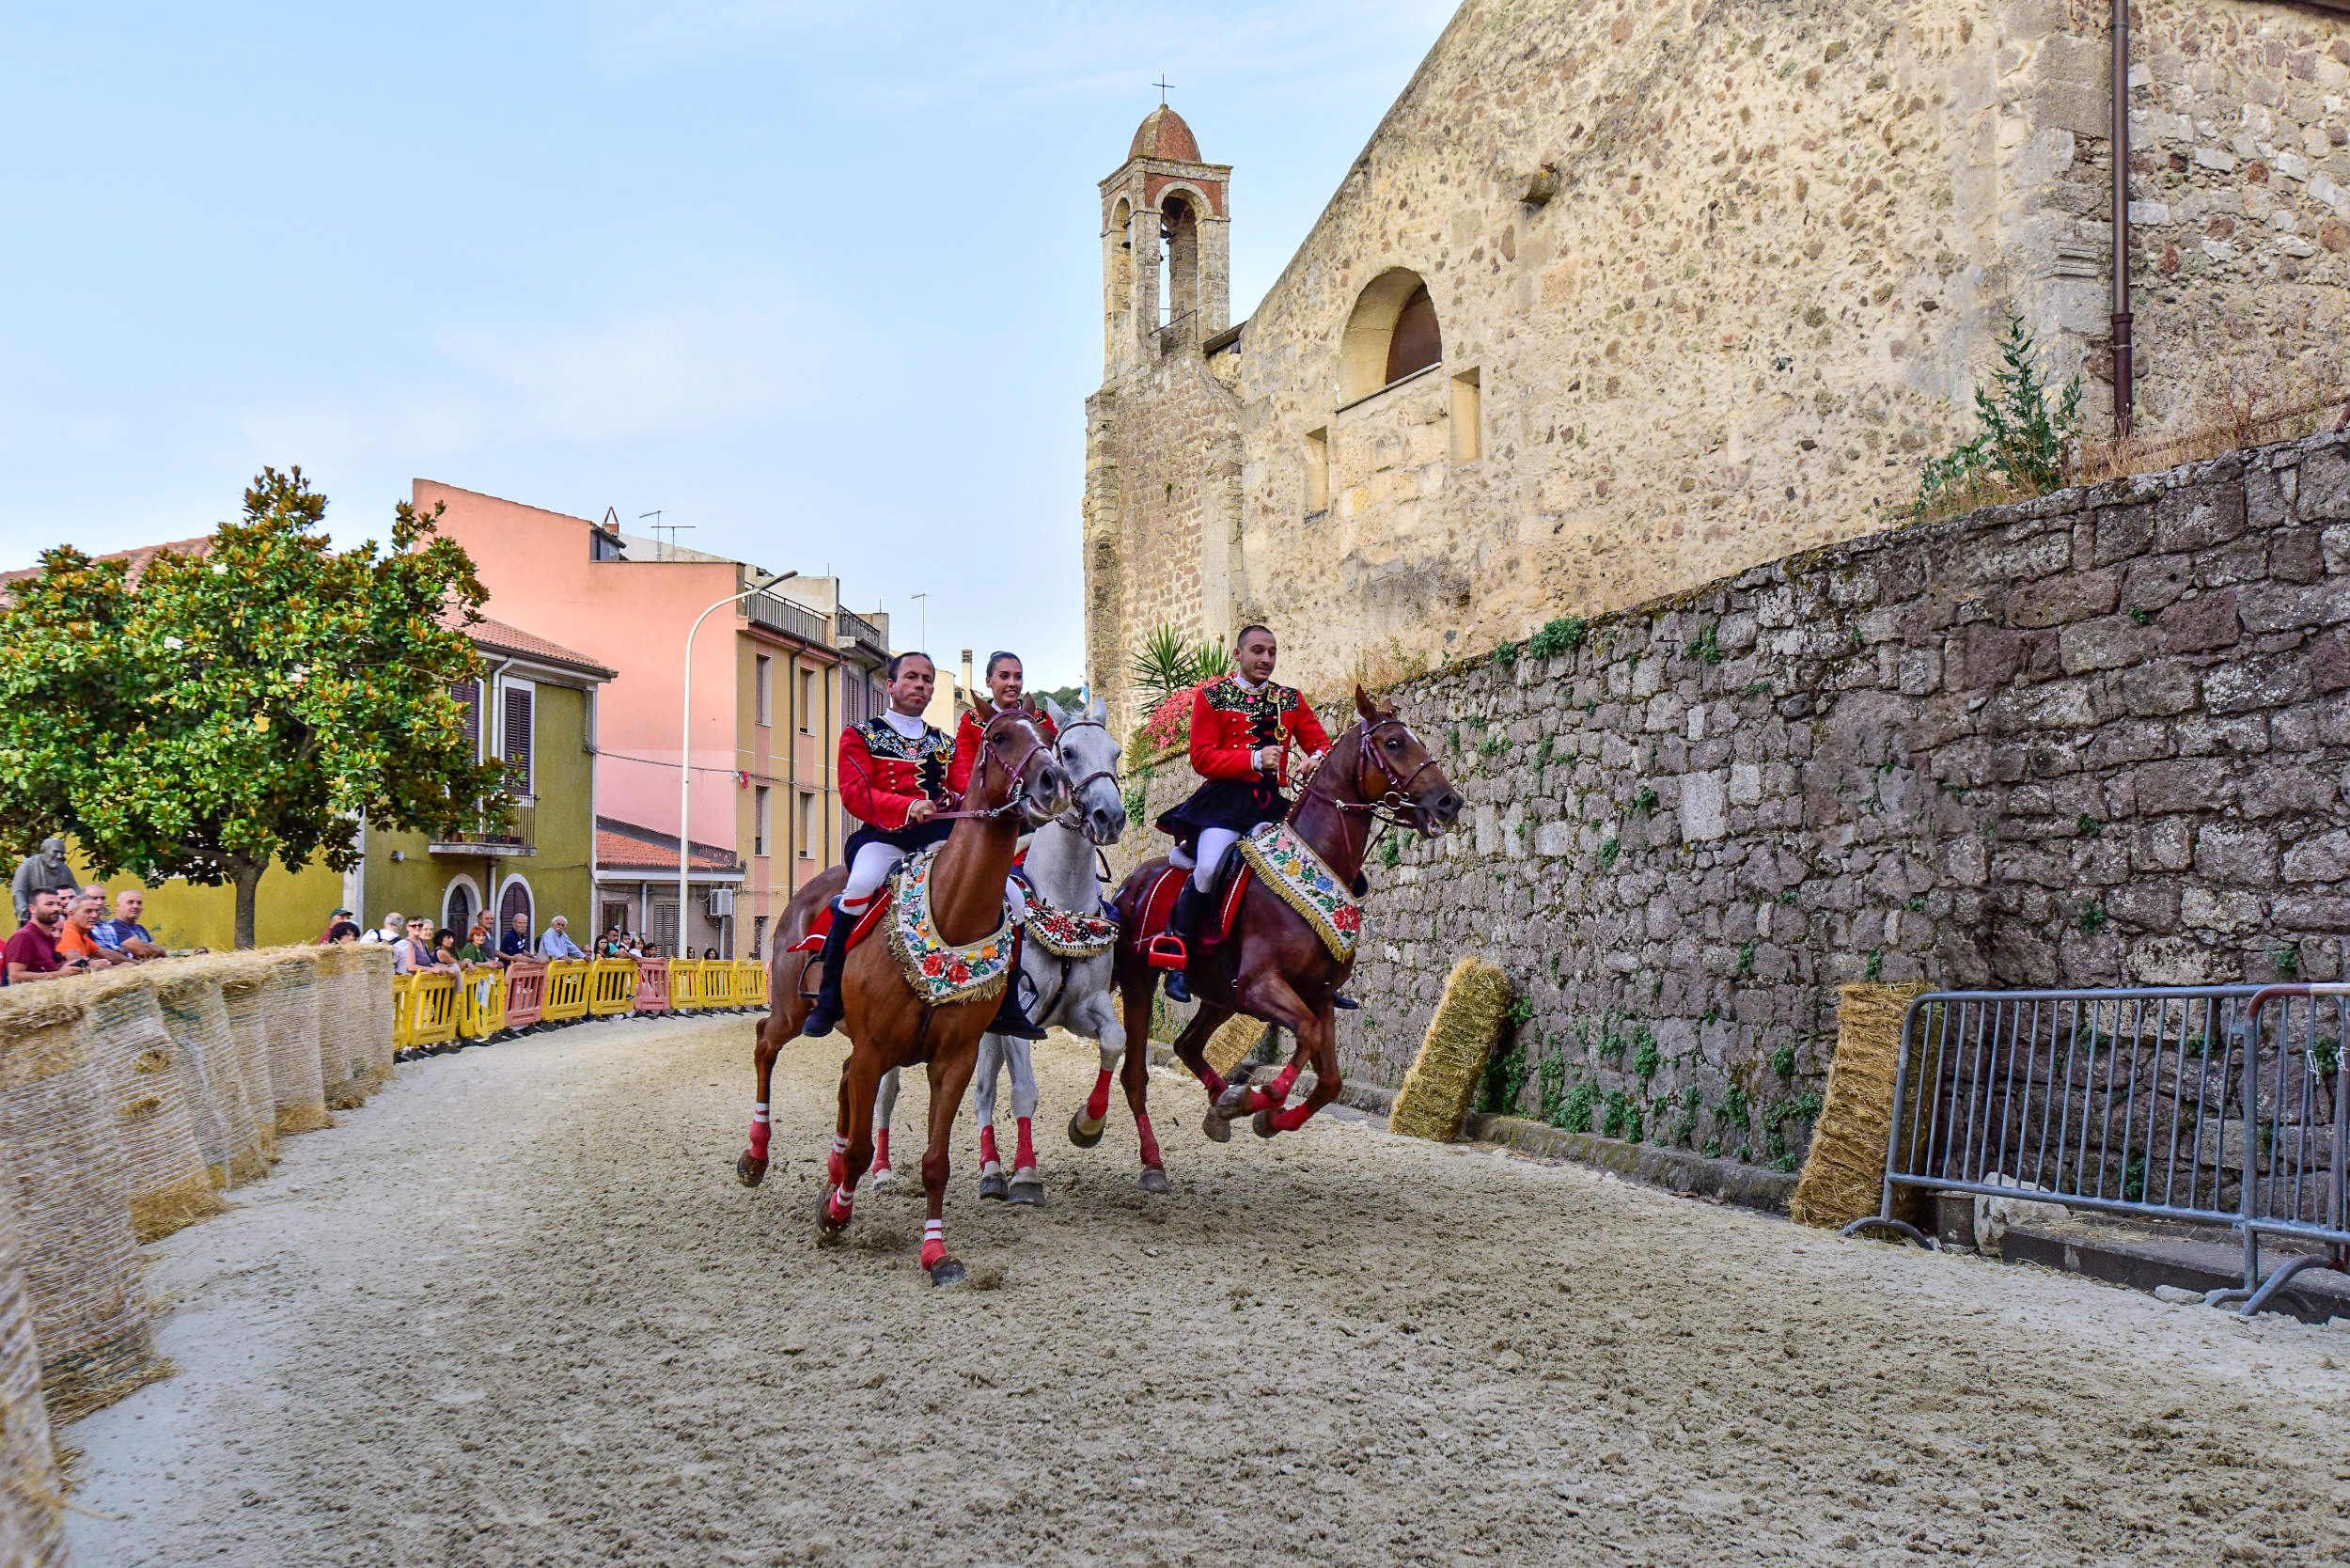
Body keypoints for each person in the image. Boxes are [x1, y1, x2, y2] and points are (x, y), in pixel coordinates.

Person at [1153, 624, 1330, 1003]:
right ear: (1238, 655)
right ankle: (1178, 955)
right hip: (1224, 803)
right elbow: (1201, 757)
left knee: (1309, 868)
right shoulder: (1212, 697)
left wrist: (1313, 761)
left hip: (1273, 804)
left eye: (1271, 651)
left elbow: (1319, 743)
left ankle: (1318, 967)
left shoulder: (1290, 699)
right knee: (1208, 866)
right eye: (1257, 651)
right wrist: (1252, 758)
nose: (1266, 659)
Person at [804, 651, 957, 1038]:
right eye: (911, 677)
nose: (920, 685)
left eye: (926, 679)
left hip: (939, 838)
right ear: (891, 686)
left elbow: (960, 790)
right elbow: (855, 794)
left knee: (1001, 891)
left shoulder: (945, 743)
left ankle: (1004, 1000)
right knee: (859, 885)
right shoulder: (860, 735)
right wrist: (908, 806)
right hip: (885, 837)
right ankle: (828, 999)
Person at [946, 650, 1058, 1041]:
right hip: (987, 825)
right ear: (989, 682)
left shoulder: (1038, 720)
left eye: (1018, 676)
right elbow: (962, 771)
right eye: (1004, 676)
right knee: (1012, 897)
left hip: (1033, 824)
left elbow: (1054, 763)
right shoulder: (971, 721)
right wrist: (981, 805)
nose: (1012, 683)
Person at [5, 887, 84, 983]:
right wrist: (60, 974)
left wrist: (74, 965)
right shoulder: (23, 937)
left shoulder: (48, 937)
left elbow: (46, 968)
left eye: (58, 904)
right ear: (32, 908)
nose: (56, 908)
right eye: (49, 904)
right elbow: (15, 976)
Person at [10, 839, 79, 923]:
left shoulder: (64, 869)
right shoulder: (28, 866)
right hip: (35, 917)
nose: (59, 856)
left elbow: (76, 891)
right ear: (43, 851)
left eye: (62, 853)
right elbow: (19, 891)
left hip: (59, 919)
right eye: (56, 852)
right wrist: (22, 907)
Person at [55, 890, 121, 971]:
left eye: (97, 911)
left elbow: (103, 953)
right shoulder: (68, 931)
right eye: (88, 911)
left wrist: (137, 964)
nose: (95, 915)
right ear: (71, 914)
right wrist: (116, 968)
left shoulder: (81, 932)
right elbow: (72, 957)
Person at [96, 889, 168, 961]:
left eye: (139, 903)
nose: (135, 906)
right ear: (118, 906)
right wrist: (160, 950)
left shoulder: (140, 928)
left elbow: (156, 953)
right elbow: (141, 951)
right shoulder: (113, 926)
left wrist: (157, 950)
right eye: (130, 902)